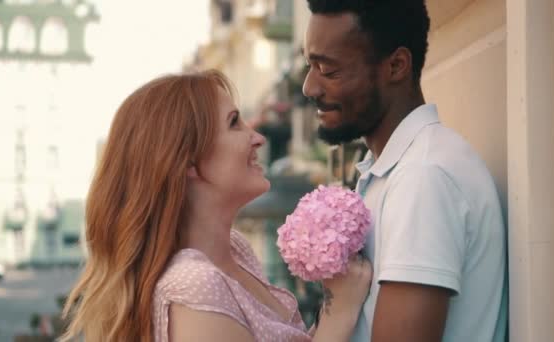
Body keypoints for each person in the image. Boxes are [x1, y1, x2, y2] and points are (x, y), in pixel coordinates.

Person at [59, 70, 372, 341]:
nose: (258, 138)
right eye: (234, 123)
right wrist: (341, 309)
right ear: (188, 163)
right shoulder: (194, 286)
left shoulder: (236, 251)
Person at [302, 1, 508, 341]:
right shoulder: (396, 168)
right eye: (310, 66)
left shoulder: (423, 178)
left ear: (396, 66)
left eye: (330, 71)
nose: (311, 87)